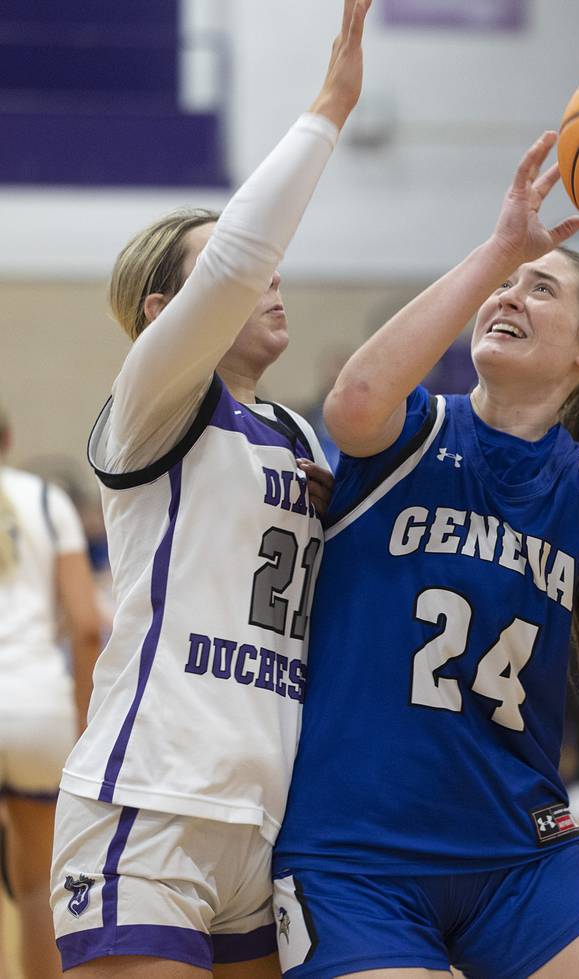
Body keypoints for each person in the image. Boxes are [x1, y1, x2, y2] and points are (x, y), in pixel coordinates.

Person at [273, 132, 579, 978]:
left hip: (519, 853)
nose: (511, 296)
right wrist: (503, 245)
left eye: (541, 289)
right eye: (505, 286)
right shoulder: (414, 430)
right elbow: (352, 402)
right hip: (358, 852)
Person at [49, 1, 371, 975]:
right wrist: (327, 107)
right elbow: (235, 259)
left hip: (264, 814)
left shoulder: (300, 433)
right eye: (242, 271)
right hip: (151, 797)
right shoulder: (152, 400)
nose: (269, 279)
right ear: (165, 314)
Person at [0, 405, 102, 978]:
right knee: (38, 888)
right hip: (39, 710)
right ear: (9, 438)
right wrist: (84, 723)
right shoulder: (47, 500)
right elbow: (88, 625)